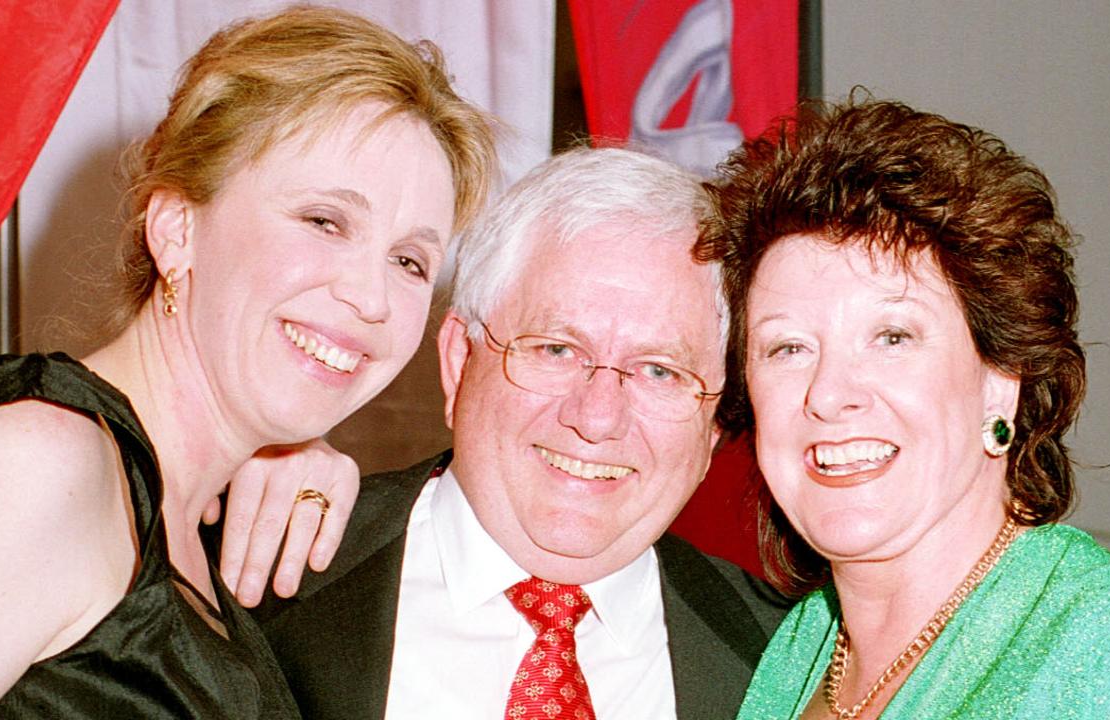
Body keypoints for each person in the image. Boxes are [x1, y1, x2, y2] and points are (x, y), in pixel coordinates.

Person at [0, 7, 495, 718]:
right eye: (324, 221)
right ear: (176, 228)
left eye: (409, 260)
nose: (372, 297)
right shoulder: (38, 466)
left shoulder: (186, 531)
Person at [244, 147, 790, 720]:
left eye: (661, 371)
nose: (597, 417)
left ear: (713, 427)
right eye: (556, 349)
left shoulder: (786, 660)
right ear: (458, 361)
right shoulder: (253, 573)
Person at [693, 97, 1110, 719]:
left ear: (1000, 378)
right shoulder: (796, 651)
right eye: (787, 347)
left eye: (892, 337)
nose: (827, 393)